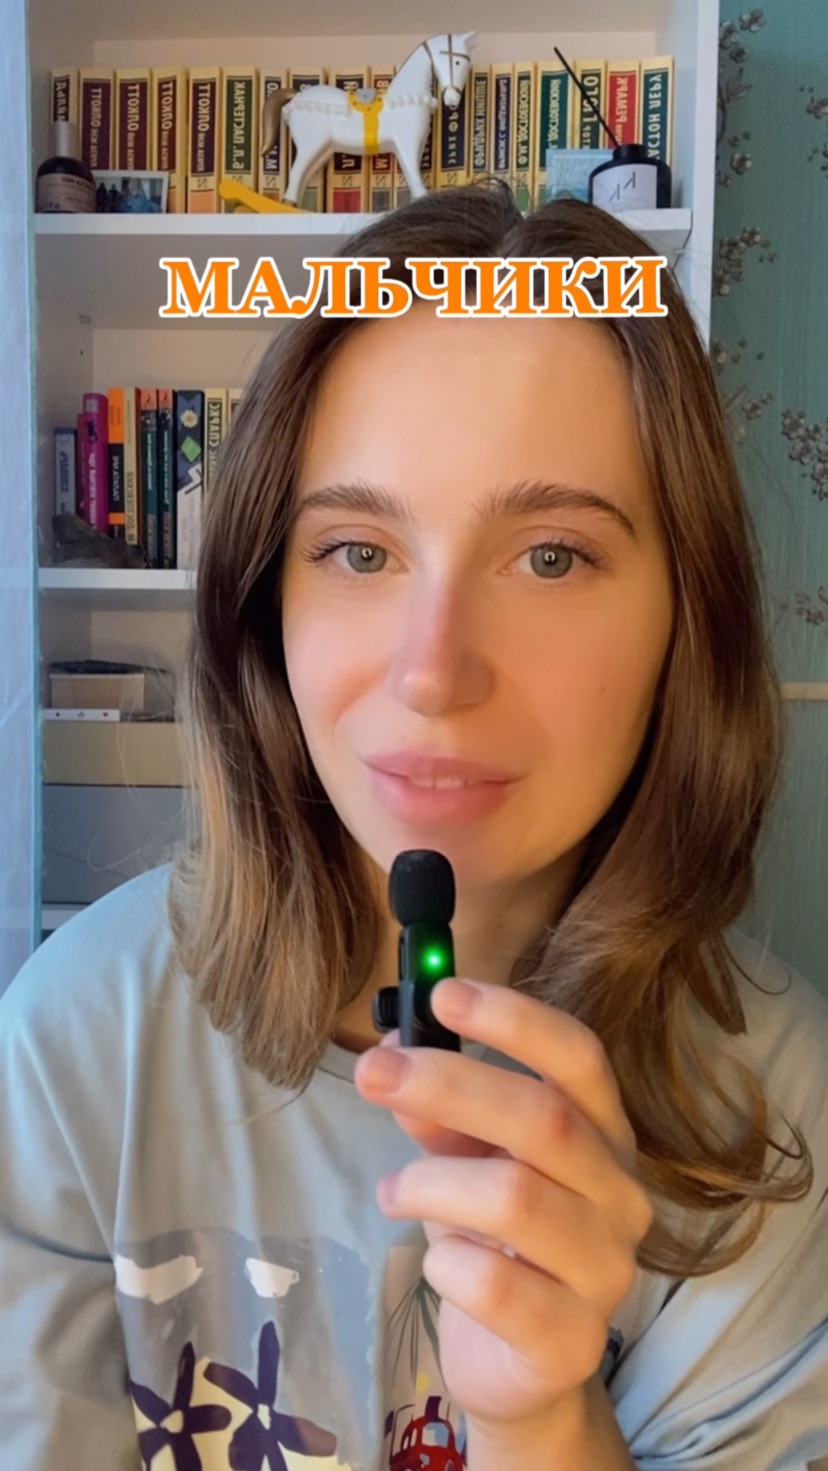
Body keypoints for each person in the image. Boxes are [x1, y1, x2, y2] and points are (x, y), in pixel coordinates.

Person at [1, 183, 826, 1471]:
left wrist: (544, 1422)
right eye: (357, 551)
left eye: (551, 556)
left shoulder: (774, 1113)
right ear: (264, 606)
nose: (433, 673)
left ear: (689, 620)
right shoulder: (73, 1046)